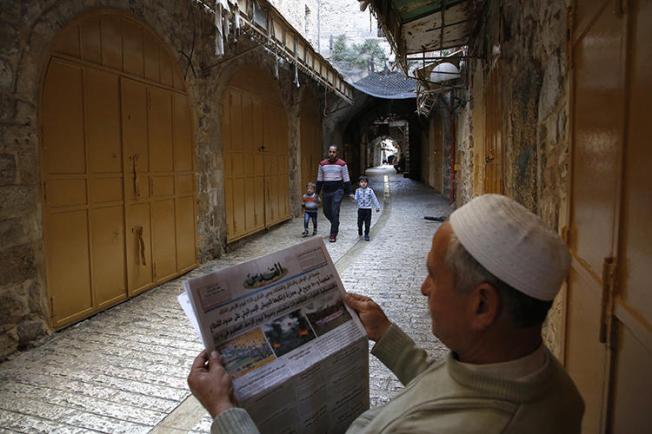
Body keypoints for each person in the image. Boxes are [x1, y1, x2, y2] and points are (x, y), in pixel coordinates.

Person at [187, 194, 585, 434]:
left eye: (432, 275)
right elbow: (454, 388)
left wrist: (224, 411)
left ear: (482, 305)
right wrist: (389, 336)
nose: (423, 288)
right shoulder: (550, 385)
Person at [315, 145, 352, 243]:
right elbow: (319, 180)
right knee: (326, 211)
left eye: (334, 152)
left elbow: (346, 179)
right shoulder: (322, 164)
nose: (332, 154)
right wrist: (316, 193)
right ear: (328, 152)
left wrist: (350, 192)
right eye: (330, 152)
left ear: (337, 153)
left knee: (335, 211)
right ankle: (335, 223)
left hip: (338, 191)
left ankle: (333, 234)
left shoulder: (342, 164)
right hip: (326, 191)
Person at [354, 176, 380, 241]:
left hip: (368, 209)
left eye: (365, 182)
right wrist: (353, 198)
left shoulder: (370, 191)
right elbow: (356, 199)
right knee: (359, 223)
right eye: (361, 182)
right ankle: (360, 230)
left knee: (367, 223)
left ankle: (366, 234)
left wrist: (377, 206)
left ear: (367, 183)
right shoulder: (357, 191)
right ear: (359, 183)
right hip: (360, 209)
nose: (363, 183)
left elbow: (374, 199)